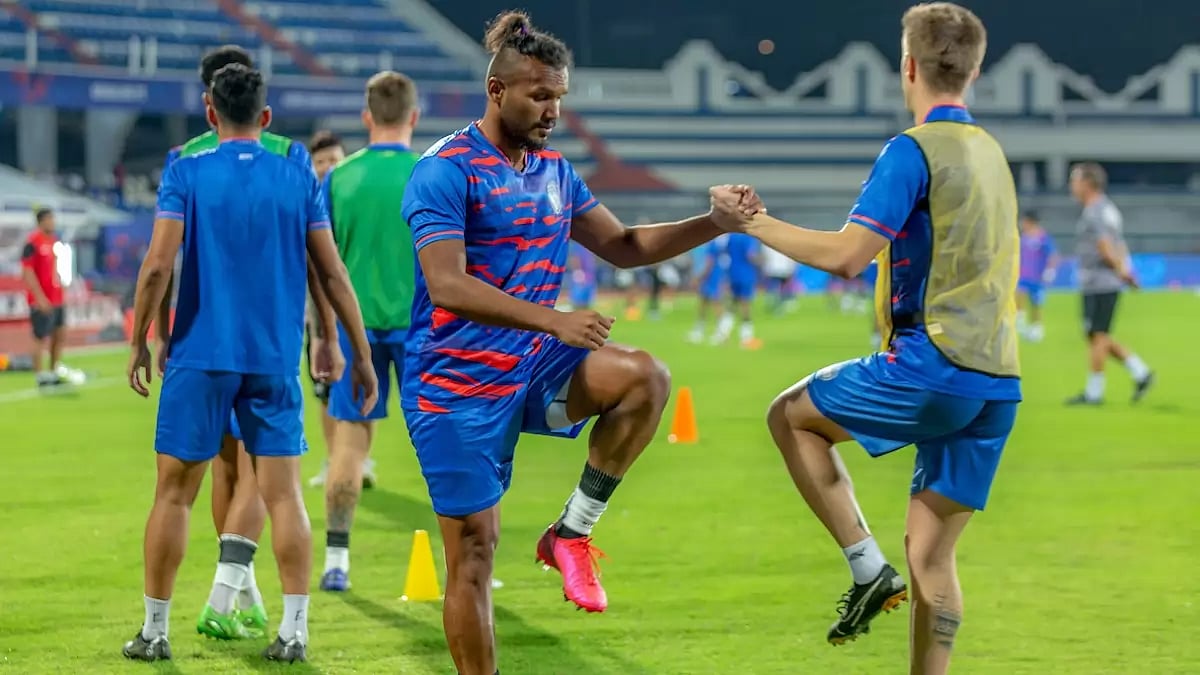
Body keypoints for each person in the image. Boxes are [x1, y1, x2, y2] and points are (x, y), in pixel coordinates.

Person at [399, 11, 749, 675]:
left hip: (528, 368)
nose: (553, 109)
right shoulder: (445, 170)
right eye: (540, 95)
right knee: (474, 553)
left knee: (645, 377)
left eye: (559, 97)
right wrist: (554, 319)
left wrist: (714, 222)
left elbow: (622, 245)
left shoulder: (557, 172)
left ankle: (571, 532)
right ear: (497, 91)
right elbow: (446, 285)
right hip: (455, 386)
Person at [711, 4, 1020, 673]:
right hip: (998, 381)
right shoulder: (994, 154)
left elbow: (850, 255)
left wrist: (753, 222)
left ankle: (865, 566)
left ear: (907, 66)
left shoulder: (912, 150)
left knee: (790, 416)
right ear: (976, 68)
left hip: (929, 366)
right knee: (934, 557)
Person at [122, 64, 378, 663]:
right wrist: (350, 349)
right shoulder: (296, 175)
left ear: (210, 115)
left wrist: (141, 339)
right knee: (283, 495)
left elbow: (158, 266)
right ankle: (294, 631)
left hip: (199, 354)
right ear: (265, 118)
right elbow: (331, 272)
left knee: (173, 494)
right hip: (271, 358)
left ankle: (155, 630)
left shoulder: (186, 170)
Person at [164, 43, 313, 641]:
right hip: (271, 337)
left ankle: (236, 592)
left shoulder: (184, 160)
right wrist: (325, 331)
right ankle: (231, 592)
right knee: (269, 475)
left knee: (217, 473)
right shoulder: (287, 157)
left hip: (203, 339)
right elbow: (316, 257)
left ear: (207, 102)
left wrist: (155, 332)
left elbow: (164, 260)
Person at [317, 71, 421, 592]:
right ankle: (466, 562)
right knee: (444, 449)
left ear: (366, 118)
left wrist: (323, 333)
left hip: (354, 329)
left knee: (348, 447)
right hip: (423, 329)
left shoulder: (337, 179)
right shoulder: (432, 173)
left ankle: (337, 560)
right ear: (413, 117)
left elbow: (319, 263)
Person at [304, 130, 382, 491]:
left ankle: (355, 458)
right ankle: (336, 458)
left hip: (359, 311)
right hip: (318, 313)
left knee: (364, 387)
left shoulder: (350, 195)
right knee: (326, 390)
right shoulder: (309, 202)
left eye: (332, 160)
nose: (326, 166)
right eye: (320, 161)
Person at [1064, 162, 1154, 405]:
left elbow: (1105, 246)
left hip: (1100, 282)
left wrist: (1123, 272)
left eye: (1075, 180)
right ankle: (1141, 371)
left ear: (1087, 183)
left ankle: (1094, 393)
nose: (1072, 186)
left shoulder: (1095, 212)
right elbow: (1120, 243)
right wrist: (1125, 270)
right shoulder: (1108, 209)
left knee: (1098, 336)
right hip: (1101, 282)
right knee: (1096, 335)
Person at [20, 207, 81, 387]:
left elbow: (57, 269)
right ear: (41, 222)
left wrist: (63, 288)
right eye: (49, 219)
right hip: (41, 300)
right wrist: (39, 298)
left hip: (57, 298)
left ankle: (53, 371)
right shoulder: (32, 243)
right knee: (40, 336)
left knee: (59, 334)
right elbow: (27, 271)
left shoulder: (55, 241)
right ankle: (40, 376)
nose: (52, 222)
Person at [1017, 210, 1058, 342]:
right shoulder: (1022, 237)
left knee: (1036, 304)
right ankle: (1020, 325)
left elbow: (1053, 255)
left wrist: (1050, 271)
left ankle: (1037, 328)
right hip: (1022, 276)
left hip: (1037, 277)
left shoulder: (1042, 237)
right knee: (1019, 298)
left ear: (1031, 222)